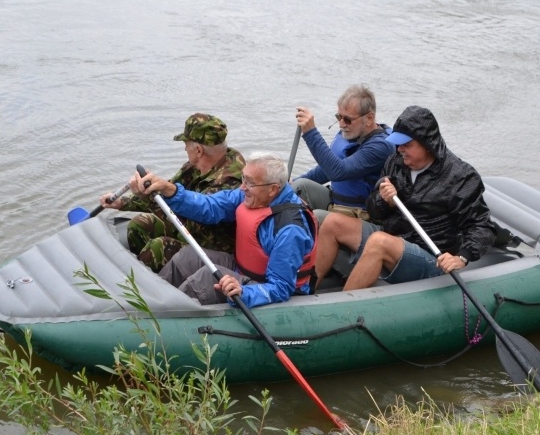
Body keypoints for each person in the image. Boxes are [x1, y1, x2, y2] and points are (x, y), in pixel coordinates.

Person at [314, 105, 496, 291]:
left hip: (431, 255)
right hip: (393, 236)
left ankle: (343, 309)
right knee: (332, 223)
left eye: (407, 145)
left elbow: (482, 226)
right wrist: (384, 201)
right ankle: (307, 290)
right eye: (398, 143)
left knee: (379, 241)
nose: (400, 149)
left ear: (427, 145)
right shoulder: (395, 162)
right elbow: (373, 209)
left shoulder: (461, 177)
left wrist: (461, 257)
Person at [130, 154, 317, 309]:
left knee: (205, 279)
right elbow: (210, 206)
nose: (242, 187)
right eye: (243, 178)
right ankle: (144, 301)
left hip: (265, 289)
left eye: (249, 182)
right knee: (187, 257)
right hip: (243, 270)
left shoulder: (290, 229)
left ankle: (158, 320)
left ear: (273, 190)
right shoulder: (252, 195)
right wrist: (170, 190)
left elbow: (281, 288)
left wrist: (244, 292)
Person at [100, 113, 245, 272]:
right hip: (189, 234)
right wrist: (123, 202)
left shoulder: (232, 180)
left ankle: (145, 284)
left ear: (198, 150)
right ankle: (150, 271)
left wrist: (148, 197)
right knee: (140, 224)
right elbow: (169, 190)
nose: (184, 148)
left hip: (210, 247)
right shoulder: (194, 166)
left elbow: (188, 221)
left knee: (159, 247)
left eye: (186, 143)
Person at [292, 84, 395, 223]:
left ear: (369, 118)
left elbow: (338, 171)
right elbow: (326, 170)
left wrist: (311, 133)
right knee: (297, 186)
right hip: (337, 202)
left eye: (348, 119)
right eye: (339, 117)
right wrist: (291, 182)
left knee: (317, 217)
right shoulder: (351, 131)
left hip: (361, 215)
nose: (341, 124)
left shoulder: (381, 146)